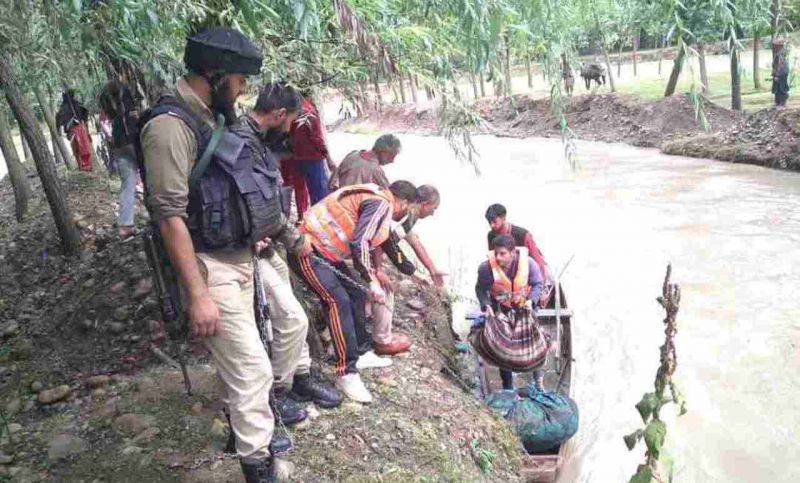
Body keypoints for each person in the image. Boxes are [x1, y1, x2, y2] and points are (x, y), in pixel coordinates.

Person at [138, 27, 296, 482]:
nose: (245, 89)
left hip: (239, 256)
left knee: (244, 361)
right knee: (252, 370)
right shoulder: (171, 126)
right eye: (241, 79)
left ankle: (239, 433)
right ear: (216, 72)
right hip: (208, 266)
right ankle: (257, 466)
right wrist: (198, 293)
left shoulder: (211, 116)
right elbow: (169, 216)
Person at [234, 83, 342, 423]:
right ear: (280, 115)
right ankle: (278, 391)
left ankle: (302, 375)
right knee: (291, 319)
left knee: (293, 313)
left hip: (267, 243)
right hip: (248, 247)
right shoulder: (242, 142)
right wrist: (294, 238)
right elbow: (253, 203)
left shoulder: (259, 140)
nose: (291, 129)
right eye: (291, 121)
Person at [287, 181, 418, 403]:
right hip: (308, 250)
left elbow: (385, 243)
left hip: (326, 253)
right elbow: (360, 243)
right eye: (409, 208)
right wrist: (372, 280)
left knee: (356, 295)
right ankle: (345, 372)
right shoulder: (381, 204)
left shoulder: (377, 200)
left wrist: (410, 272)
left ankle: (360, 352)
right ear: (404, 202)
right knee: (338, 302)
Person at [367, 185, 447, 357]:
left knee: (374, 290)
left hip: (368, 247)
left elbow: (414, 241)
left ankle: (367, 318)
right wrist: (378, 269)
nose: (433, 213)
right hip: (365, 249)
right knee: (385, 290)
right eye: (434, 208)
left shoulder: (410, 216)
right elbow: (382, 239)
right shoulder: (405, 214)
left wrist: (431, 269)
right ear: (425, 204)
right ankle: (382, 341)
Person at [475, 234, 545, 391]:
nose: (498, 258)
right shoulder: (486, 268)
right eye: (496, 253)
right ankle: (507, 386)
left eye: (503, 254)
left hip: (524, 308)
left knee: (534, 344)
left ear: (513, 253)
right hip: (501, 309)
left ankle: (538, 381)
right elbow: (480, 288)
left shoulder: (529, 264)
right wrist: (486, 305)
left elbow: (538, 284)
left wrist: (531, 300)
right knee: (503, 348)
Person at [485, 203, 551, 306]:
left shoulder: (523, 235)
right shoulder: (491, 236)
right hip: (505, 281)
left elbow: (539, 263)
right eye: (489, 222)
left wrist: (541, 290)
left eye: (494, 221)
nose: (491, 225)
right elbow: (492, 261)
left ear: (503, 218)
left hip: (525, 279)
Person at [99, 80, 139, 239]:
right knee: (150, 177)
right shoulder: (126, 95)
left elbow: (106, 121)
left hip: (117, 144)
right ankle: (160, 218)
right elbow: (133, 118)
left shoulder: (107, 103)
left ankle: (125, 227)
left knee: (127, 184)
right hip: (132, 141)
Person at [287, 93, 335, 212]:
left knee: (300, 190)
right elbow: (317, 138)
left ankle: (301, 217)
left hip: (296, 157)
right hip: (313, 159)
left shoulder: (292, 110)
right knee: (319, 194)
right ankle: (319, 222)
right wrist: (328, 158)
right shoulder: (309, 112)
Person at [328, 134, 400, 191]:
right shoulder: (376, 171)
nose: (392, 160)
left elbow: (332, 183)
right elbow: (390, 196)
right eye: (392, 155)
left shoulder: (353, 154)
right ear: (384, 152)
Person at [56, 89, 93, 171]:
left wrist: (59, 131)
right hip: (79, 130)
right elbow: (85, 119)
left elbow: (58, 123)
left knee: (77, 151)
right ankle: (85, 168)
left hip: (72, 132)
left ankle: (82, 167)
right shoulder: (78, 106)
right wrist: (87, 132)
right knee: (83, 149)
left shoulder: (62, 109)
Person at [772, 38, 790, 107]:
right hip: (780, 73)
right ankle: (778, 102)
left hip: (781, 74)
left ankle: (782, 103)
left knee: (781, 88)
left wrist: (777, 75)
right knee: (777, 88)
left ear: (780, 46)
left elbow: (781, 65)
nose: (774, 46)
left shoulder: (781, 53)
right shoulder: (779, 53)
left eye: (775, 45)